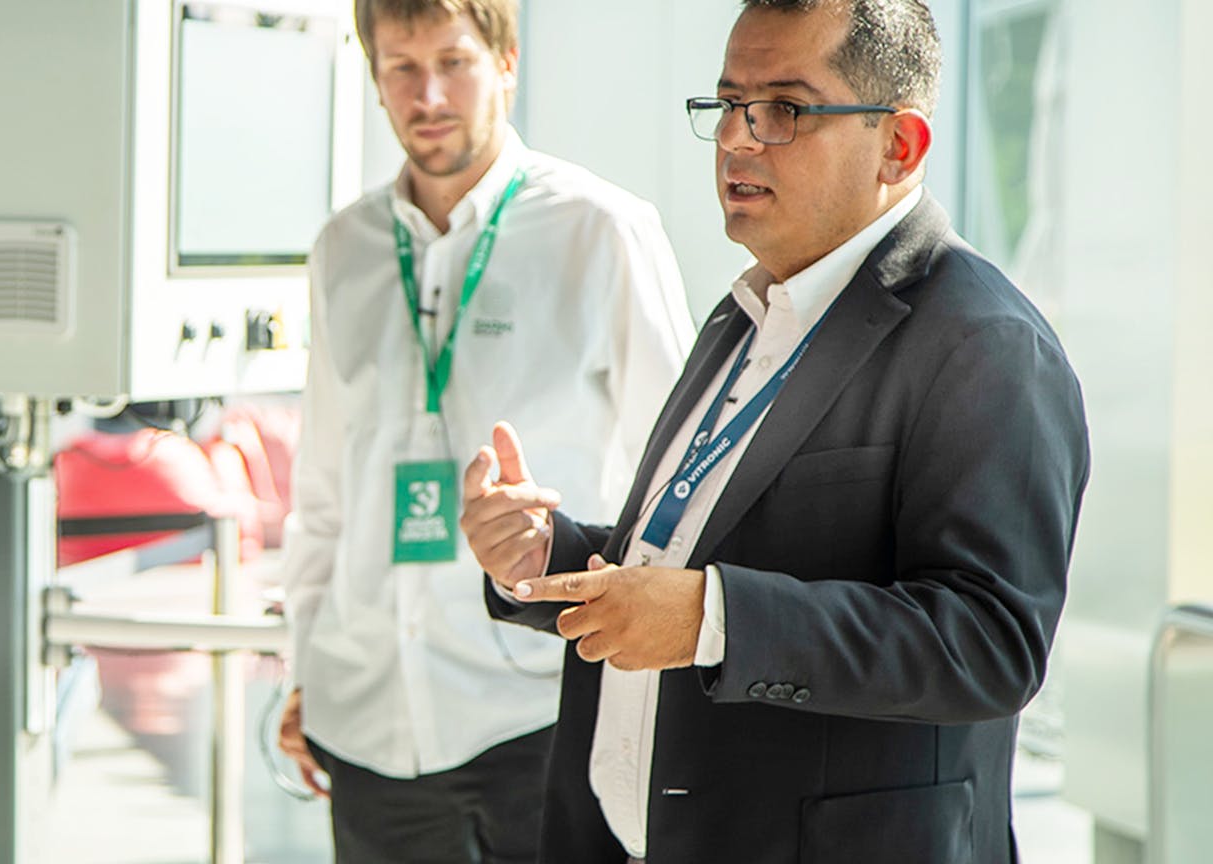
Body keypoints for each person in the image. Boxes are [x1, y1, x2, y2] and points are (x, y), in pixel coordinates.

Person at [458, 1, 1090, 862]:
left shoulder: (983, 342)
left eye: (784, 110)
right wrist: (552, 559)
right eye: (727, 106)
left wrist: (715, 618)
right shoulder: (748, 312)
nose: (738, 141)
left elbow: (989, 643)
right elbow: (708, 553)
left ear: (899, 146)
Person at [274, 0, 694, 860]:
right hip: (368, 722)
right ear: (374, 75)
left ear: (505, 61)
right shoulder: (341, 250)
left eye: (454, 61)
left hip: (539, 711)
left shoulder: (601, 230)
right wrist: (305, 669)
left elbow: (684, 485)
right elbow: (320, 495)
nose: (428, 93)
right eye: (400, 67)